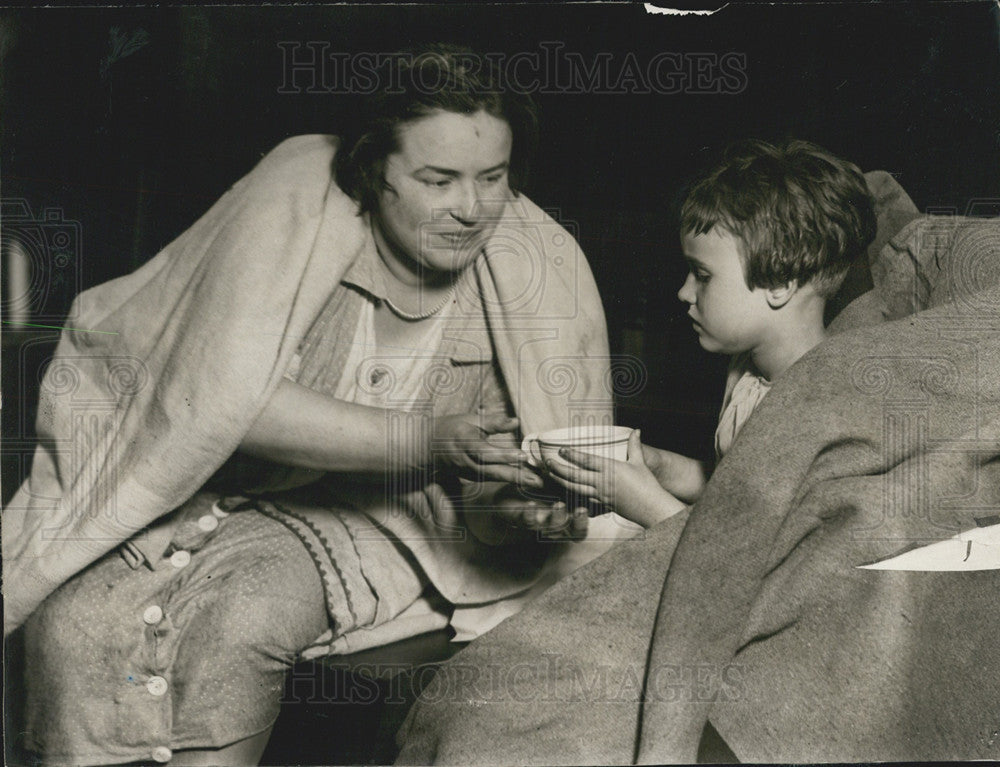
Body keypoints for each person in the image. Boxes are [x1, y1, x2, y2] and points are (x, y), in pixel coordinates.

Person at [5, 45, 619, 766]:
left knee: (242, 618)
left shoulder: (525, 278)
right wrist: (425, 436)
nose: (472, 208)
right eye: (437, 179)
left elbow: (490, 476)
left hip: (384, 523)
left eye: (493, 177)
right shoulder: (296, 219)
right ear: (373, 173)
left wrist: (521, 511)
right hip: (224, 490)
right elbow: (219, 402)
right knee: (68, 623)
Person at [546, 138, 877, 528]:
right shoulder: (748, 371)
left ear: (780, 282)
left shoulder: (815, 406)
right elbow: (733, 492)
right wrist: (659, 466)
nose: (684, 292)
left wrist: (642, 502)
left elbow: (743, 551)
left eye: (702, 276)